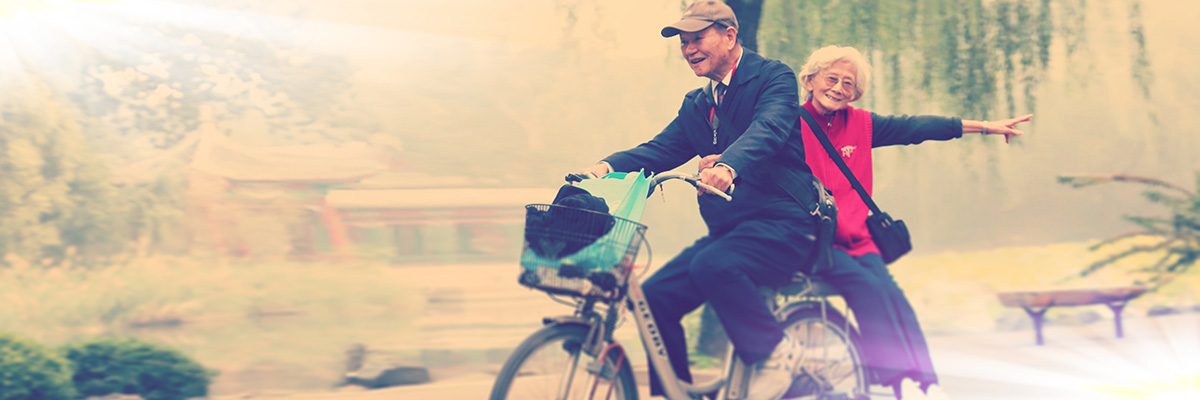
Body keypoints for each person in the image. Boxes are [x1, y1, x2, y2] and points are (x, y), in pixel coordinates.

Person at [578, 1, 829, 399]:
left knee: (714, 264)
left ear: (730, 36)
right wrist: (603, 168)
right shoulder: (697, 104)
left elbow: (768, 128)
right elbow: (659, 150)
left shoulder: (772, 77)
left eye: (698, 38)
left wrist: (728, 165)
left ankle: (775, 354)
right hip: (733, 231)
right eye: (684, 42)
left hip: (786, 224)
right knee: (655, 297)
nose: (689, 49)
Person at [779, 44, 1032, 400]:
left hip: (858, 237)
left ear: (856, 93)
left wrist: (986, 127)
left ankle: (923, 384)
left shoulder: (862, 124)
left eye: (848, 83)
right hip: (815, 238)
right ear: (809, 80)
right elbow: (751, 147)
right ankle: (895, 380)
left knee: (895, 299)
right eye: (831, 79)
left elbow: (916, 127)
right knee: (869, 291)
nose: (838, 88)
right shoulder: (786, 123)